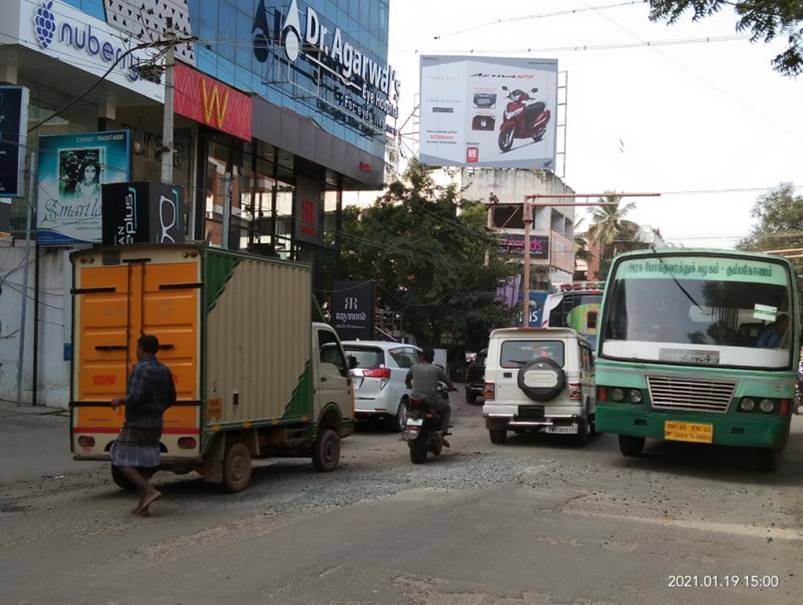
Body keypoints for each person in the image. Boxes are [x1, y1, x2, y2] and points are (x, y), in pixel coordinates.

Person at [111, 334, 176, 515]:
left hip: (137, 423)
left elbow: (135, 397)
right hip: (156, 423)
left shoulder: (140, 369)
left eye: (137, 348)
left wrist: (120, 400)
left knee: (119, 457)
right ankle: (144, 505)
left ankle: (148, 491)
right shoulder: (165, 370)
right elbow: (172, 398)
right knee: (143, 462)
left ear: (140, 349)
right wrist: (157, 410)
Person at [405, 348, 455, 446]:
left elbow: (407, 380)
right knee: (447, 408)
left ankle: (406, 429)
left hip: (414, 400)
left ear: (422, 357)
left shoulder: (413, 367)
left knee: (409, 412)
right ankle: (442, 433)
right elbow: (449, 383)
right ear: (432, 358)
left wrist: (409, 385)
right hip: (430, 400)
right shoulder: (437, 369)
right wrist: (451, 388)